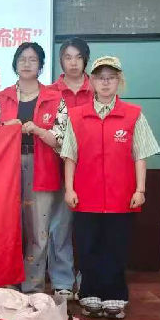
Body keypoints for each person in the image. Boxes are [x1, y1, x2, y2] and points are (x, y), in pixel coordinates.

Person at [62, 56, 160, 319]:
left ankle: (115, 294)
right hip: (86, 196)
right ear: (91, 81)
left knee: (116, 246)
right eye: (100, 78)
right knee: (88, 246)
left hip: (121, 197)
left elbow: (141, 155)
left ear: (119, 81)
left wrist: (140, 190)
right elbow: (70, 156)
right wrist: (69, 189)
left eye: (111, 78)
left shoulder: (133, 114)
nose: (105, 83)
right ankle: (90, 292)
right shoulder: (77, 116)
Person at [0, 42, 67, 294]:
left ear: (40, 66)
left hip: (42, 167)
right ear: (15, 64)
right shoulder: (2, 97)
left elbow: (63, 138)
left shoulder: (55, 98)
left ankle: (33, 289)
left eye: (32, 59)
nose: (27, 63)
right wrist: (5, 128)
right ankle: (7, 286)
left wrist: (39, 130)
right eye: (22, 59)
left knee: (38, 232)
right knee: (8, 228)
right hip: (7, 170)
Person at [46, 37, 94, 300]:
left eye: (78, 57)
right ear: (61, 61)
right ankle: (62, 280)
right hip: (58, 166)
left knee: (89, 227)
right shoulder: (50, 92)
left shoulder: (98, 88)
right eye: (67, 57)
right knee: (60, 226)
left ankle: (87, 279)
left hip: (91, 168)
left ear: (85, 60)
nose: (73, 63)